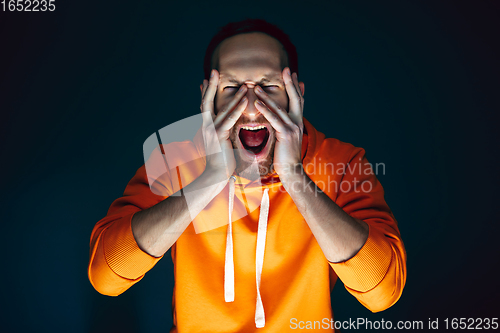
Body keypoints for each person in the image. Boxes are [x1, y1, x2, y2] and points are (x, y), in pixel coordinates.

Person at [88, 18, 407, 332]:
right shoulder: (172, 160)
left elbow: (382, 294)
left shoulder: (343, 162)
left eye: (269, 87)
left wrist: (295, 176)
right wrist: (210, 178)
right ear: (207, 97)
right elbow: (106, 278)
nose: (252, 107)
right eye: (231, 89)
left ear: (296, 94)